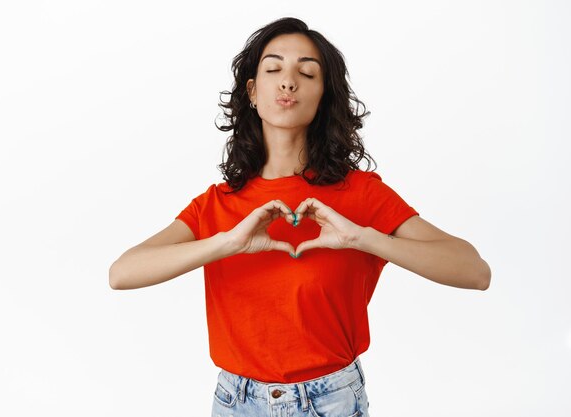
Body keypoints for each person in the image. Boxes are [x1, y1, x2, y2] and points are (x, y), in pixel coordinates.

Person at [109, 16, 491, 417]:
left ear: (323, 94)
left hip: (331, 401)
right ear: (252, 92)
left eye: (306, 73)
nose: (288, 82)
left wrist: (363, 238)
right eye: (274, 69)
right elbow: (122, 273)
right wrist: (227, 243)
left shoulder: (360, 193)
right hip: (236, 403)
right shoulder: (217, 205)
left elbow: (475, 271)